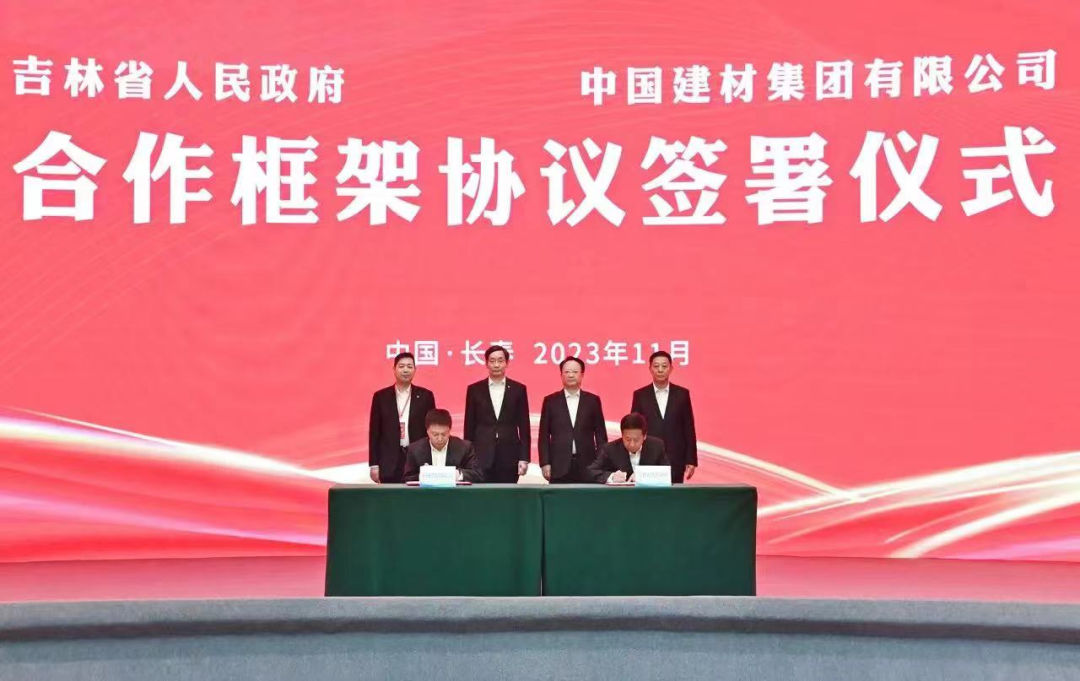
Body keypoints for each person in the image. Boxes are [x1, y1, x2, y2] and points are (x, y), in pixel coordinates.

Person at [464, 345, 531, 483]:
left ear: (507, 363)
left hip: (509, 455)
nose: (496, 365)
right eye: (492, 361)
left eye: (500, 361)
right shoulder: (474, 390)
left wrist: (524, 457)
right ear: (486, 363)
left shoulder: (518, 389)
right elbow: (469, 426)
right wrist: (467, 457)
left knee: (507, 494)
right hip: (481, 455)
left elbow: (524, 426)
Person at [368, 352, 437, 484]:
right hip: (388, 459)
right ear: (394, 369)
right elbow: (374, 433)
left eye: (410, 367)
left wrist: (432, 459)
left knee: (415, 495)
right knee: (390, 495)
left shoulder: (426, 396)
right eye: (401, 366)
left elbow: (432, 428)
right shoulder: (381, 397)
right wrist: (374, 464)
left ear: (415, 370)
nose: (406, 370)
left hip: (417, 458)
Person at [630, 350, 698, 483]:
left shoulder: (682, 394)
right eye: (656, 366)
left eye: (664, 366)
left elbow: (689, 428)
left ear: (671, 368)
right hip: (647, 457)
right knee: (648, 494)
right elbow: (633, 428)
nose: (660, 370)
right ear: (650, 369)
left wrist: (691, 459)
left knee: (674, 494)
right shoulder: (640, 395)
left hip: (676, 457)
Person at [538, 356, 607, 483]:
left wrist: (601, 463)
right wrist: (545, 463)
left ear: (582, 375)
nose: (571, 375)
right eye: (567, 372)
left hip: (588, 465)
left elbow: (601, 436)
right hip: (558, 465)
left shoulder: (592, 401)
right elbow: (543, 436)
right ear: (561, 375)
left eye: (575, 372)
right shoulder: (550, 401)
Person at [402, 409, 484, 483]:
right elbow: (407, 478)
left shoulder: (465, 447)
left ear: (450, 430)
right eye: (435, 434)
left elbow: (478, 475)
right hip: (426, 493)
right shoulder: (415, 449)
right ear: (427, 431)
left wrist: (457, 474)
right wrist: (424, 475)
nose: (440, 438)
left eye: (444, 434)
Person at [587, 413, 669, 483]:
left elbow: (668, 473)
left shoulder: (656, 446)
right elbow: (591, 471)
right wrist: (612, 476)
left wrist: (643, 475)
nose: (632, 444)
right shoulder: (610, 449)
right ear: (622, 435)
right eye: (628, 439)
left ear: (644, 436)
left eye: (636, 440)